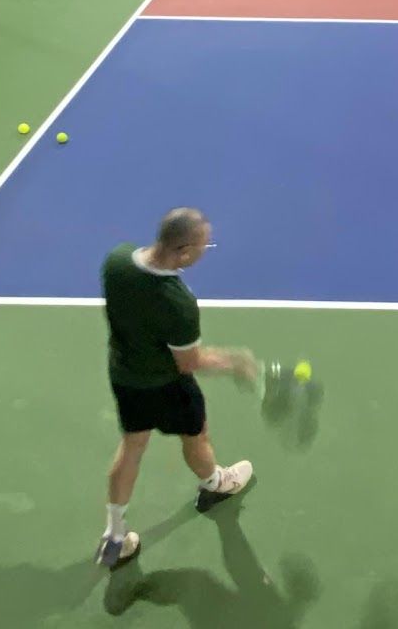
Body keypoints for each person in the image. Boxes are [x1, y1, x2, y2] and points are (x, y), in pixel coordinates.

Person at [95, 208, 258, 570]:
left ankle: (114, 536)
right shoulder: (177, 303)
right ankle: (216, 483)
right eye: (204, 246)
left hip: (125, 377)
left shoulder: (117, 261)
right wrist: (235, 362)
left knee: (131, 447)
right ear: (184, 252)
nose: (205, 251)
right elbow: (189, 362)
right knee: (196, 438)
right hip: (167, 387)